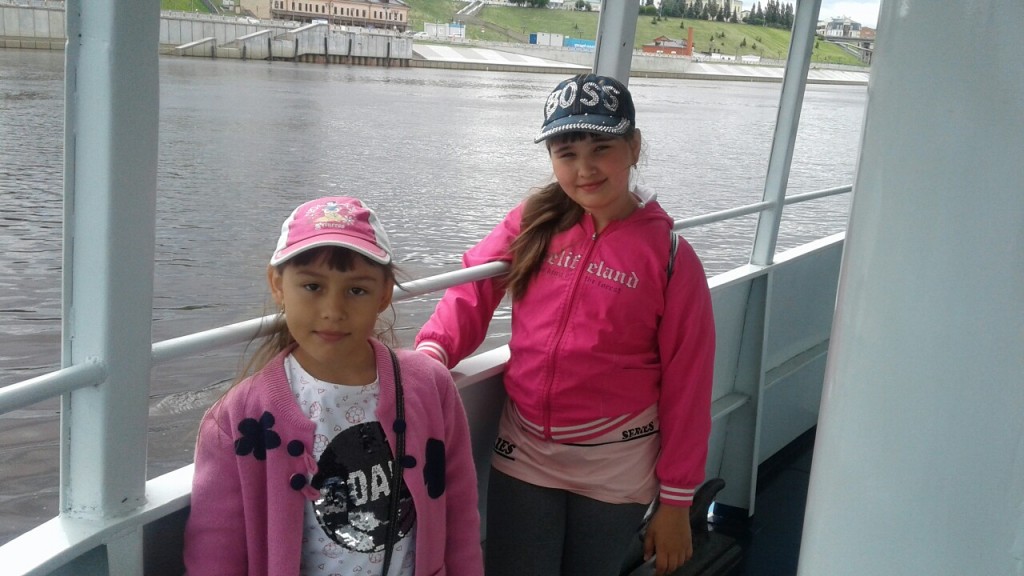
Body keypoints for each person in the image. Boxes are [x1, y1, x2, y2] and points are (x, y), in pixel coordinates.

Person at [414, 74, 716, 576]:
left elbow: (689, 382)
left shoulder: (670, 258)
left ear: (634, 147)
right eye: (567, 153)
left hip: (618, 461)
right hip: (526, 448)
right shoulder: (533, 221)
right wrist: (433, 353)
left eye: (602, 148)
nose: (584, 168)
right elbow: (473, 289)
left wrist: (677, 500)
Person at [183, 196, 483, 576]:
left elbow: (459, 514)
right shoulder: (237, 420)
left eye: (356, 290)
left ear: (384, 294)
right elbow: (215, 555)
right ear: (277, 284)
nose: (333, 311)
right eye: (312, 286)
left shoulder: (430, 385)